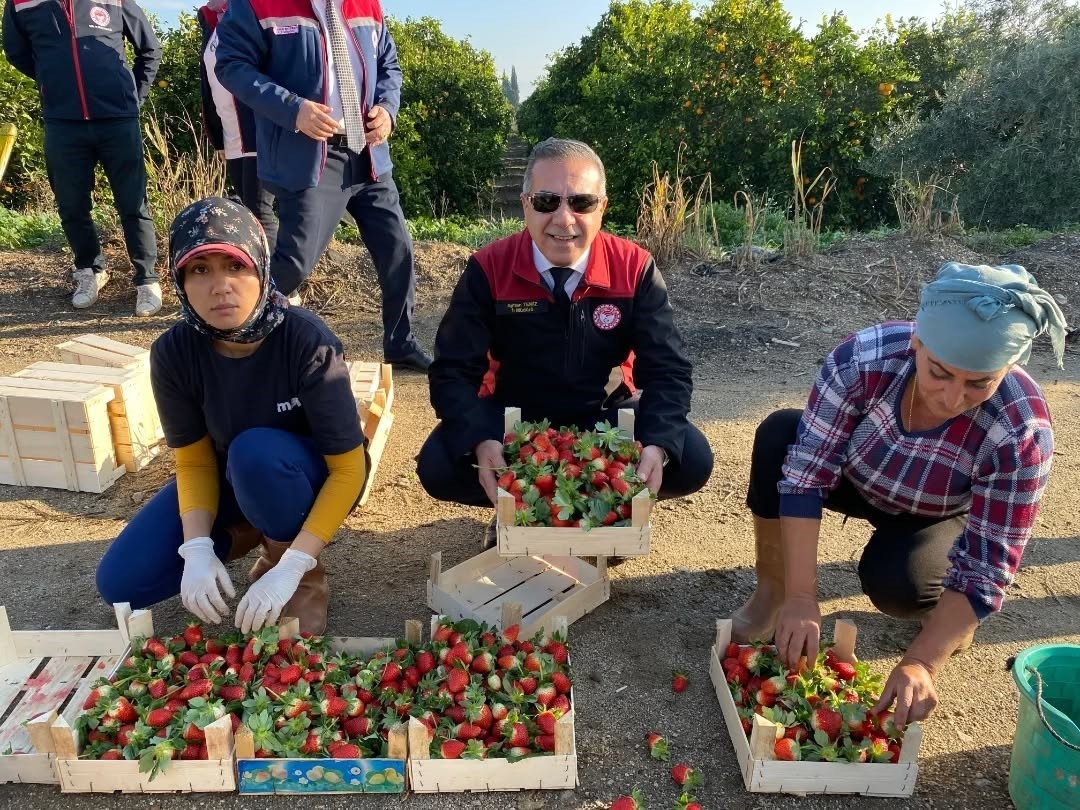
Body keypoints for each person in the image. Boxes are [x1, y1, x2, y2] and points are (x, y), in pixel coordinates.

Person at [730, 262, 1067, 728]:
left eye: (978, 383)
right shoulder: (863, 360)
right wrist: (802, 597)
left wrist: (923, 663)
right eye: (939, 373)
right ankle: (772, 595)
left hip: (935, 513)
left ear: (1008, 368)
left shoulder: (1022, 431)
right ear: (917, 342)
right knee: (779, 435)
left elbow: (990, 562)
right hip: (854, 477)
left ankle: (945, 624)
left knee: (902, 586)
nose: (952, 398)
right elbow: (806, 477)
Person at [417, 138, 714, 545]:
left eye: (581, 203)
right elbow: (452, 371)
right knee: (440, 465)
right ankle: (518, 505)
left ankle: (604, 503)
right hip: (514, 421)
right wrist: (480, 438)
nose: (564, 218)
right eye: (545, 201)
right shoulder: (488, 268)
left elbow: (668, 369)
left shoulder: (635, 268)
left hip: (603, 419)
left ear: (602, 208)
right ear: (524, 204)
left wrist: (658, 444)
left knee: (690, 458)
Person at [96, 197, 368, 634]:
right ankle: (244, 532)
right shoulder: (174, 353)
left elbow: (349, 468)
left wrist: (293, 566)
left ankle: (295, 569)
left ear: (260, 269)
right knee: (121, 583)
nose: (220, 285)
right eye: (200, 269)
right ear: (180, 280)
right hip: (230, 479)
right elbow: (195, 459)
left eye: (234, 265)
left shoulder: (306, 342)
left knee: (255, 452)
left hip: (308, 478)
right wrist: (197, 547)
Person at [212, 0, 431, 370]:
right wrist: (293, 109)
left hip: (370, 155)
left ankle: (400, 342)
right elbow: (231, 64)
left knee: (397, 251)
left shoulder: (367, 5)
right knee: (294, 262)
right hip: (310, 156)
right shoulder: (257, 4)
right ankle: (233, 339)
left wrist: (388, 109)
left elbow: (389, 65)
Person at [2, 0, 162, 316]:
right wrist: (53, 82)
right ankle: (90, 270)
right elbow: (16, 52)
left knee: (133, 203)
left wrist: (133, 98)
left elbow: (150, 49)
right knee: (72, 205)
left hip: (118, 120)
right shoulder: (20, 2)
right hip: (63, 122)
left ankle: (147, 279)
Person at [197, 0, 277, 248]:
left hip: (258, 131)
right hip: (233, 136)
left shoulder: (255, 13)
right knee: (248, 211)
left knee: (260, 212)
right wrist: (219, 138)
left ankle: (280, 284)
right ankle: (260, 276)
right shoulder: (213, 22)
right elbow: (209, 85)